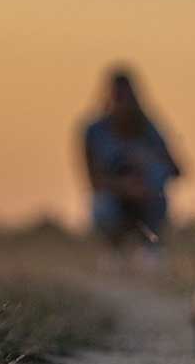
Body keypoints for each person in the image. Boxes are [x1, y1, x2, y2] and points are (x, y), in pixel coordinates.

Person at [78, 67, 182, 257]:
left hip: (147, 199)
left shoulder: (149, 130)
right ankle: (112, 251)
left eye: (127, 98)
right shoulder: (95, 132)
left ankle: (151, 249)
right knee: (102, 205)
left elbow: (177, 170)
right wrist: (124, 188)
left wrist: (148, 171)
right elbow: (92, 180)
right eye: (119, 97)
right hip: (113, 201)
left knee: (158, 185)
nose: (123, 104)